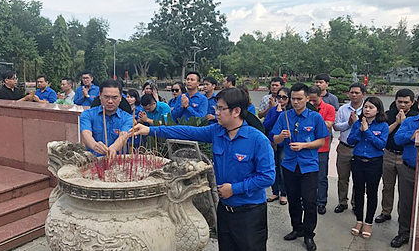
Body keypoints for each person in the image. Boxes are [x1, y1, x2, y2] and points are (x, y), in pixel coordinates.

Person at [131, 87, 275, 251]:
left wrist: (235, 189)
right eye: (216, 108)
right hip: (225, 211)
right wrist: (150, 130)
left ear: (236, 111)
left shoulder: (257, 140)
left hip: (250, 213)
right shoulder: (217, 132)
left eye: (221, 108)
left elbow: (267, 177)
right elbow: (186, 131)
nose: (216, 112)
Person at [271, 83, 329, 251]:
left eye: (299, 99)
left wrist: (304, 145)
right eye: (293, 99)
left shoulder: (315, 117)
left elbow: (322, 140)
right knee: (294, 200)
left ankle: (309, 234)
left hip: (309, 166)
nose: (295, 102)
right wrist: (281, 136)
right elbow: (274, 139)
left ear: (307, 99)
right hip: (289, 165)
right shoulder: (285, 117)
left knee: (310, 201)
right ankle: (297, 228)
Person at [347, 97, 388, 239]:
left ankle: (368, 222)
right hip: (358, 161)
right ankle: (359, 220)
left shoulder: (382, 126)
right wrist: (360, 129)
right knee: (358, 191)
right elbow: (350, 140)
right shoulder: (357, 123)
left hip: (374, 163)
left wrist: (367, 131)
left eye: (371, 107)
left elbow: (381, 144)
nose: (367, 110)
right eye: (366, 107)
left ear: (378, 110)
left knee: (371, 192)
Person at [375, 89, 418, 224]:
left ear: (412, 103)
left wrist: (404, 123)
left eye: (406, 102)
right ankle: (385, 211)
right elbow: (382, 134)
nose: (402, 105)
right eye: (400, 102)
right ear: (395, 101)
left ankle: (402, 216)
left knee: (404, 189)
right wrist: (397, 123)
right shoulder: (388, 114)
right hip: (389, 153)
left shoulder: (415, 117)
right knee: (387, 185)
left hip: (405, 156)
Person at [391, 93, 419, 248]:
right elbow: (398, 139)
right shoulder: (411, 121)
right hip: (409, 169)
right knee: (406, 202)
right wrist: (413, 135)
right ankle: (404, 233)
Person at [333, 83, 366, 214]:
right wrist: (348, 123)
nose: (353, 95)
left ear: (363, 94)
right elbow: (336, 127)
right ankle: (342, 202)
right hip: (344, 147)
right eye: (351, 92)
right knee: (343, 177)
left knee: (358, 178)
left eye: (357, 93)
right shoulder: (343, 109)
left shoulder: (367, 109)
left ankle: (356, 203)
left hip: (360, 148)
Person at [79, 79, 133, 157]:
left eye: (114, 98)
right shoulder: (87, 114)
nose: (110, 101)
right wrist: (94, 145)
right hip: (93, 161)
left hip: (118, 162)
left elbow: (123, 135)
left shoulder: (128, 118)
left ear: (120, 98)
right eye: (106, 97)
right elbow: (86, 134)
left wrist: (113, 148)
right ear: (100, 96)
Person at [307, 86, 335, 215]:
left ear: (321, 97)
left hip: (322, 148)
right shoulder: (304, 108)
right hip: (306, 147)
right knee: (307, 177)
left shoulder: (329, 108)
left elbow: (329, 124)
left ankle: (321, 201)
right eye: (310, 101)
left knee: (321, 177)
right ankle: (308, 201)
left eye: (315, 100)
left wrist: (314, 118)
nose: (312, 103)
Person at [264, 86, 290, 206]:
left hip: (284, 144)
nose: (281, 99)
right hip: (272, 142)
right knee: (273, 167)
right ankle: (275, 191)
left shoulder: (290, 112)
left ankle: (284, 193)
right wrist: (277, 113)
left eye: (284, 97)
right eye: (279, 97)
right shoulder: (272, 110)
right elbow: (266, 124)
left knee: (282, 167)